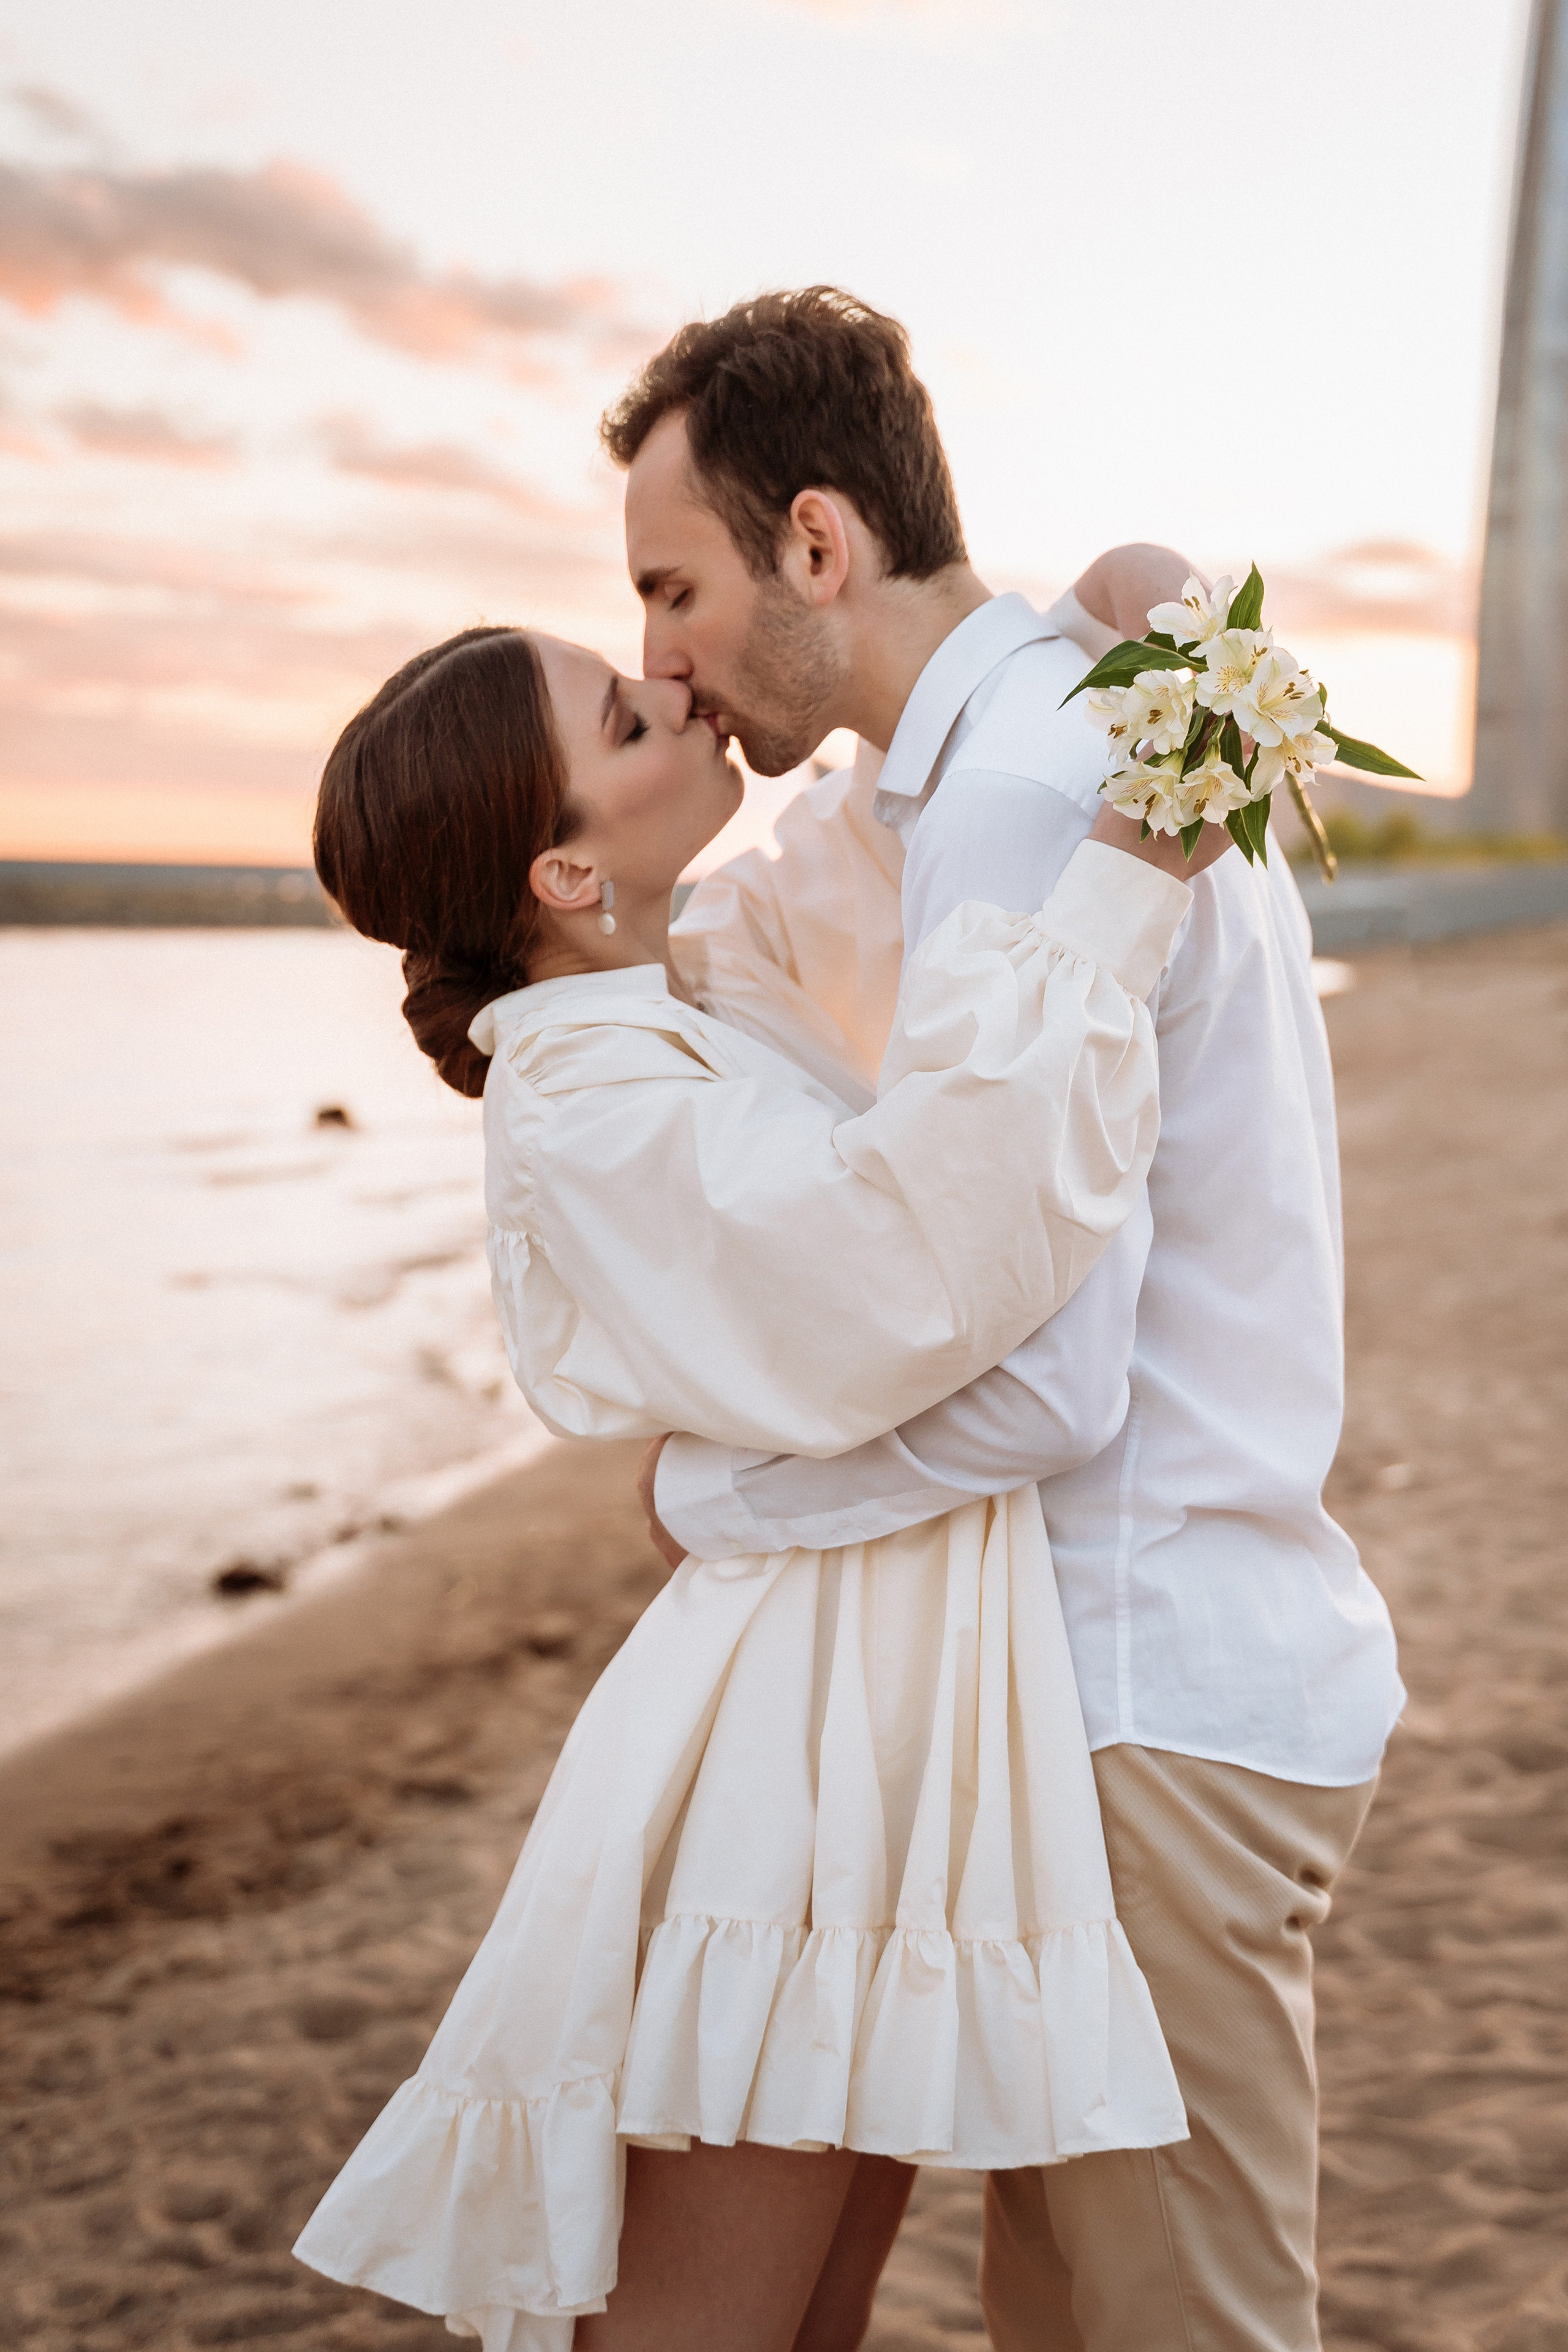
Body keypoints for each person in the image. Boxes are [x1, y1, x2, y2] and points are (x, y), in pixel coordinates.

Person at [609, 287, 1406, 2351]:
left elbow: (1050, 1373)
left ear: (815, 541)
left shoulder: (1032, 789)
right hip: (1135, 1693)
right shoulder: (1069, 729)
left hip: (1151, 1686)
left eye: (672, 586)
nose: (656, 657)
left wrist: (727, 1491)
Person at [291, 602, 1232, 2350]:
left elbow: (886, 801)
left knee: (811, 2325)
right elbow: (911, 1265)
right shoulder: (586, 1103)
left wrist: (1109, 614)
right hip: (784, 1773)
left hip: (874, 1734)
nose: (667, 686)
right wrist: (1134, 865)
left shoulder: (690, 975)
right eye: (625, 722)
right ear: (565, 875)